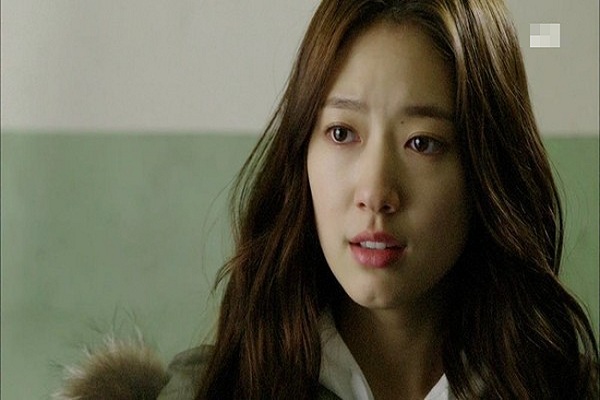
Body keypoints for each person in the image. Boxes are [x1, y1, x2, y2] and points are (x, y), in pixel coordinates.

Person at [56, 0, 599, 399]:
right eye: (342, 133)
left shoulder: (565, 388)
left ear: (488, 169)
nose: (376, 193)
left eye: (423, 143)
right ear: (302, 155)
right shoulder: (212, 390)